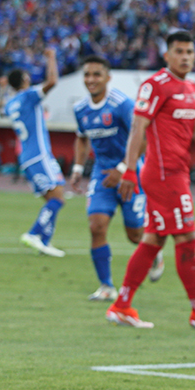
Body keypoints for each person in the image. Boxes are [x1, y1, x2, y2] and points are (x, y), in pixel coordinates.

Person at [106, 30, 195, 330]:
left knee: (154, 239)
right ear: (166, 55)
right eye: (179, 51)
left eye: (190, 52)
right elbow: (138, 127)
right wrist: (128, 169)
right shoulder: (155, 85)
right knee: (187, 239)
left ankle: (122, 305)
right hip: (164, 175)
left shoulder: (190, 87)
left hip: (177, 172)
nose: (185, 57)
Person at [69, 55, 165, 301]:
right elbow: (82, 137)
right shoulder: (80, 109)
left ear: (108, 78)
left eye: (96, 74)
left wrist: (123, 169)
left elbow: (142, 137)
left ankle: (155, 253)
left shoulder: (122, 104)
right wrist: (78, 169)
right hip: (102, 177)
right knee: (96, 226)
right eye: (87, 75)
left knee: (134, 235)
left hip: (132, 175)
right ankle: (106, 286)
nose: (91, 80)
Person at [4, 48, 66, 257]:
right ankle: (33, 234)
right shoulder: (29, 96)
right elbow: (52, 82)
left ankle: (44, 241)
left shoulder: (11, 103)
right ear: (23, 80)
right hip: (39, 154)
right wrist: (51, 58)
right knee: (57, 198)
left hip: (28, 157)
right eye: (27, 76)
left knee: (54, 198)